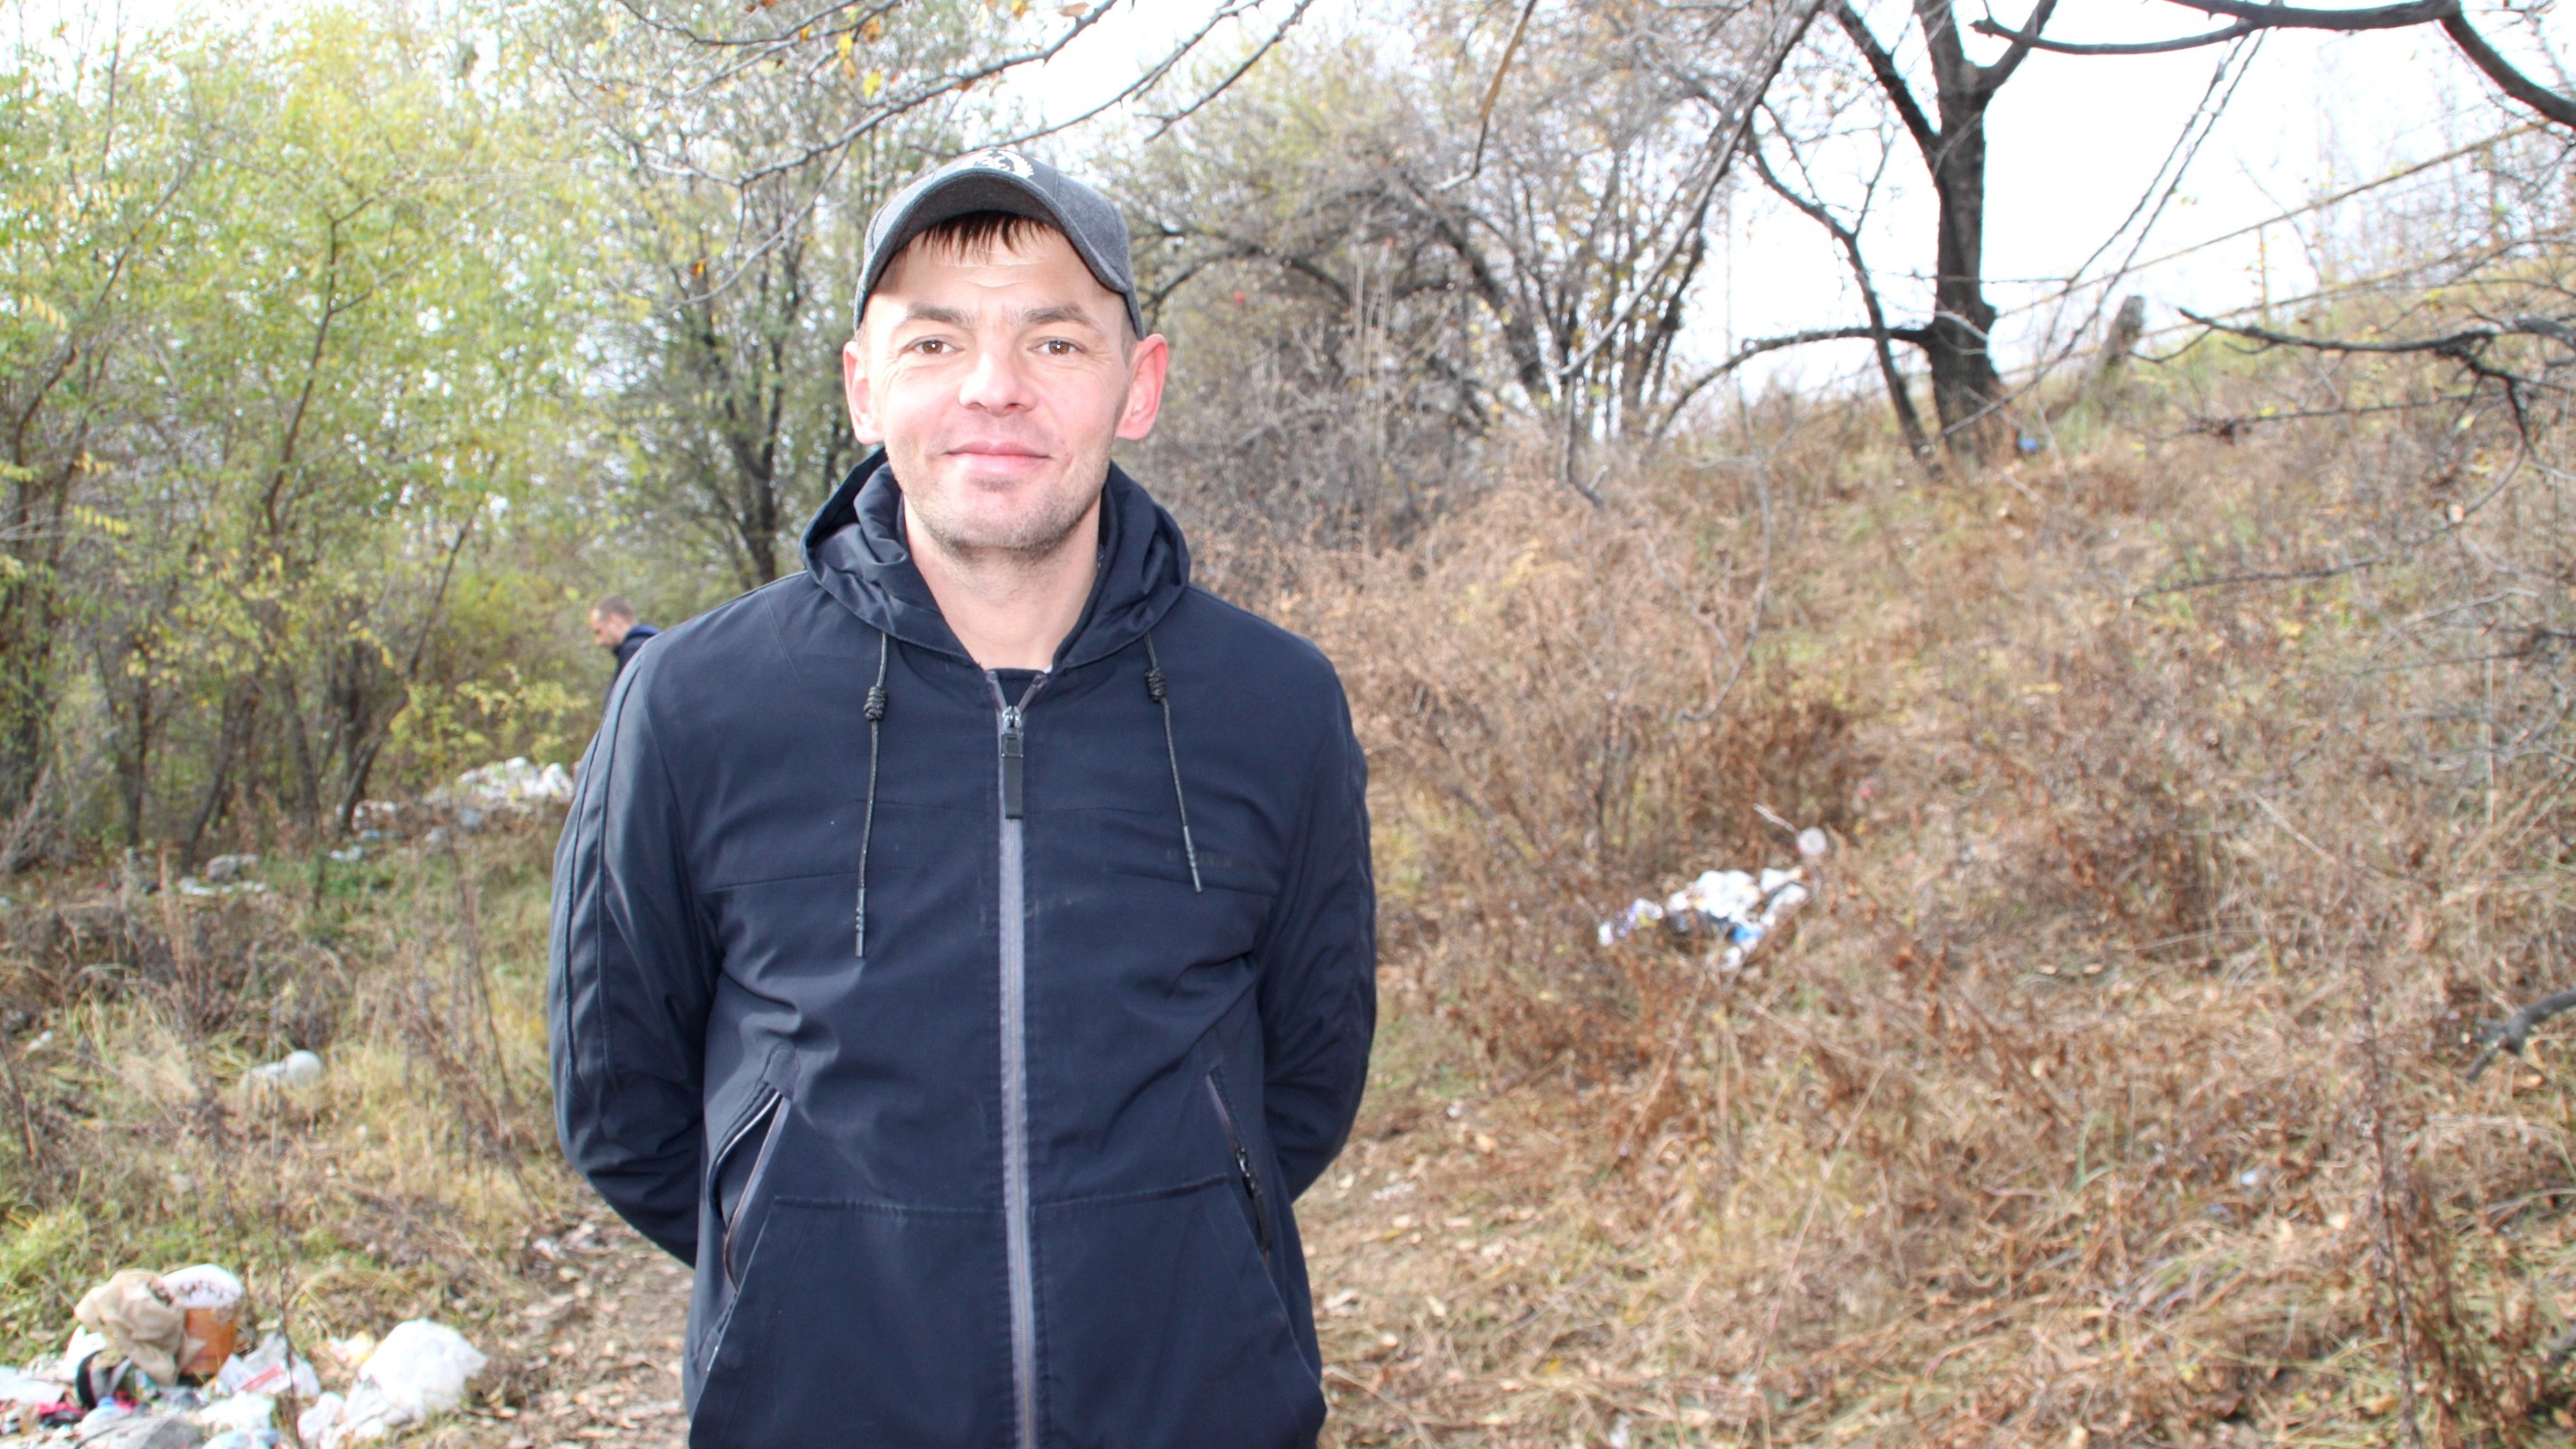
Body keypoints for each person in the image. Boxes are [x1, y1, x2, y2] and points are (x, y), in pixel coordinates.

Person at [548, 147, 1376, 1449]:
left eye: (1055, 340)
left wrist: (1180, 1235)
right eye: (934, 341)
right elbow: (618, 1098)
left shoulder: (1273, 704)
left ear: (1139, 384)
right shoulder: (694, 702)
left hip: (1194, 1406)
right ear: (861, 385)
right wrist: (794, 1258)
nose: (994, 386)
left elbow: (1306, 1079)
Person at [586, 596, 659, 698]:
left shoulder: (634, 652)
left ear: (613, 621)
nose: (598, 642)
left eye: (599, 631)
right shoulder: (653, 647)